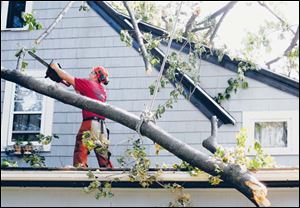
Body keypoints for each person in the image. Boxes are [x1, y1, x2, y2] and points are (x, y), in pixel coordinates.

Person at [50, 63, 113, 168]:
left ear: (95, 76)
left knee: (81, 146)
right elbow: (81, 92)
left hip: (90, 123)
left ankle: (79, 169)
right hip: (102, 128)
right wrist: (67, 83)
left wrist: (55, 67)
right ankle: (110, 175)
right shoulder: (102, 90)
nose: (89, 73)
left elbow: (66, 76)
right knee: (103, 155)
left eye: (92, 72)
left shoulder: (88, 84)